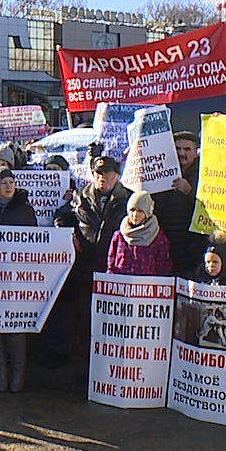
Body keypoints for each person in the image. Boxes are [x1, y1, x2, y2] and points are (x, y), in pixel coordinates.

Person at [46, 155, 131, 367]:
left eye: (108, 173)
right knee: (81, 315)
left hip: (113, 267)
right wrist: (69, 235)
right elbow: (61, 217)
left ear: (117, 175)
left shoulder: (128, 199)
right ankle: (80, 362)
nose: (103, 178)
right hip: (84, 264)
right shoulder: (80, 198)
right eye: (98, 174)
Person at [0, 166, 37, 392]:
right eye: (3, 183)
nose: (8, 186)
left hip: (17, 278)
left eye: (11, 182)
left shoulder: (25, 211)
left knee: (14, 325)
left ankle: (18, 373)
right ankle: (1, 372)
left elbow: (36, 242)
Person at [153, 130, 200, 278]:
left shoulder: (204, 176)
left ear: (195, 153)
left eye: (187, 149)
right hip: (166, 245)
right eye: (178, 149)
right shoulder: (160, 172)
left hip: (192, 248)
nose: (181, 153)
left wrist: (190, 193)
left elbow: (212, 209)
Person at [105, 190, 171, 276]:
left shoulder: (157, 237)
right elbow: (111, 263)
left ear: (147, 213)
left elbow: (163, 267)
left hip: (147, 286)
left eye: (140, 211)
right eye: (132, 210)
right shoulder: (119, 236)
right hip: (122, 286)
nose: (135, 215)